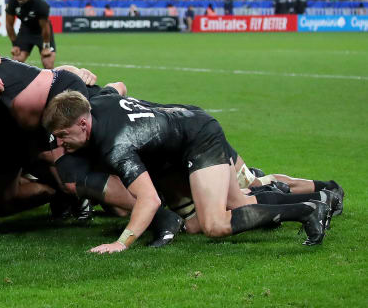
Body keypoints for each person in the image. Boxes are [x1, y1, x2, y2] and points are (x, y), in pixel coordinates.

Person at [42, 91, 333, 252]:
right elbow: (118, 87)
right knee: (226, 210)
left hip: (197, 139)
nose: (61, 143)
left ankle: (306, 211)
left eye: (63, 135)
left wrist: (121, 243)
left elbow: (150, 200)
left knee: (214, 224)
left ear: (83, 124)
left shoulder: (115, 145)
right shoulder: (97, 103)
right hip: (183, 133)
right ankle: (320, 200)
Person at [4, 0, 56, 69]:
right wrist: (15, 44)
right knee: (16, 60)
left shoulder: (41, 5)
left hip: (42, 33)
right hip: (26, 30)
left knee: (48, 63)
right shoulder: (12, 3)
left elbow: (45, 27)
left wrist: (46, 46)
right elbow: (9, 24)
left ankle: (50, 83)